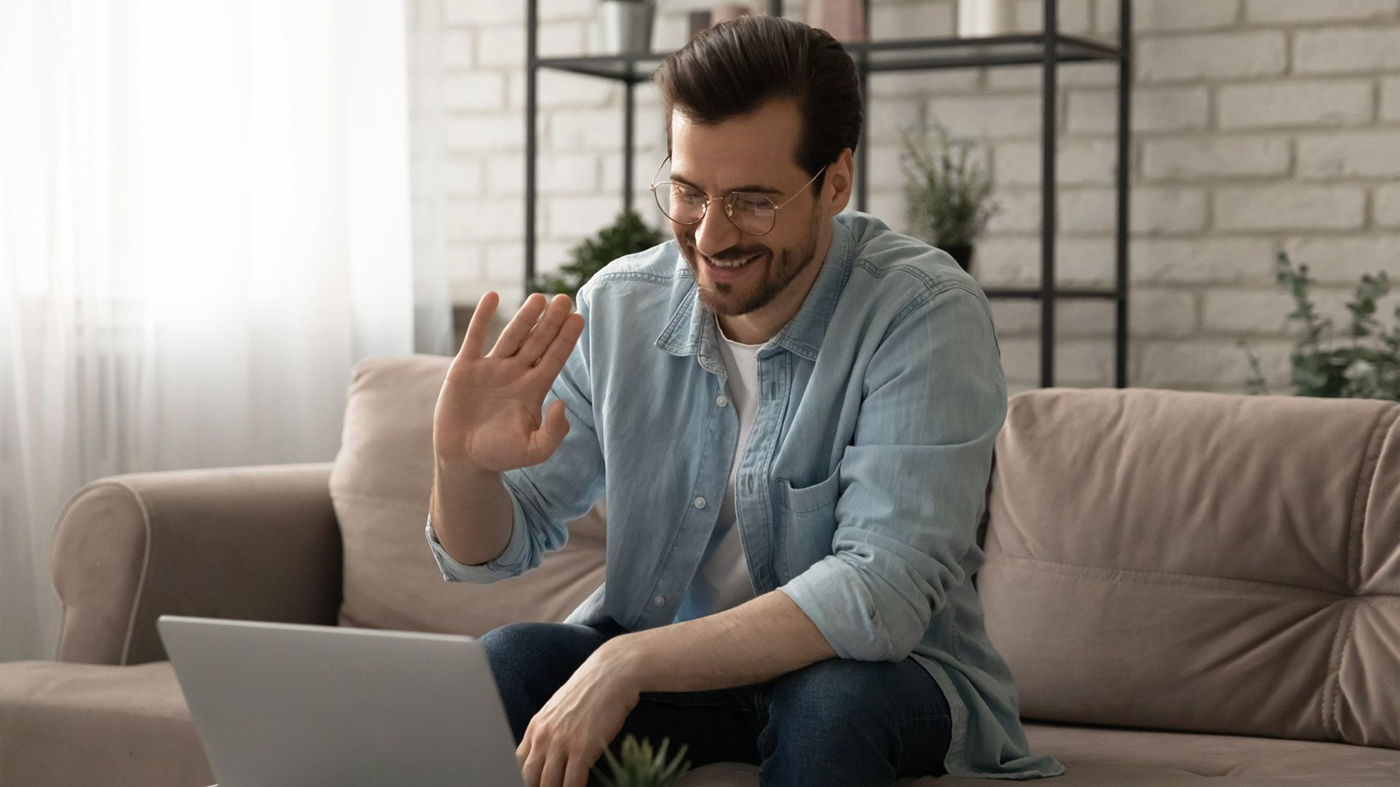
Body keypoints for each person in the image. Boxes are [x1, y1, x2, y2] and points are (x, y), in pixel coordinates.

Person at [425, 14, 1064, 787]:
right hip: (675, 667)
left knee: (829, 704)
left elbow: (880, 590)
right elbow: (492, 552)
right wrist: (462, 466)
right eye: (689, 192)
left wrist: (628, 659)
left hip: (881, 676)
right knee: (511, 662)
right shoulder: (623, 307)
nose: (711, 234)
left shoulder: (922, 311)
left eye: (753, 201)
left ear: (835, 182)